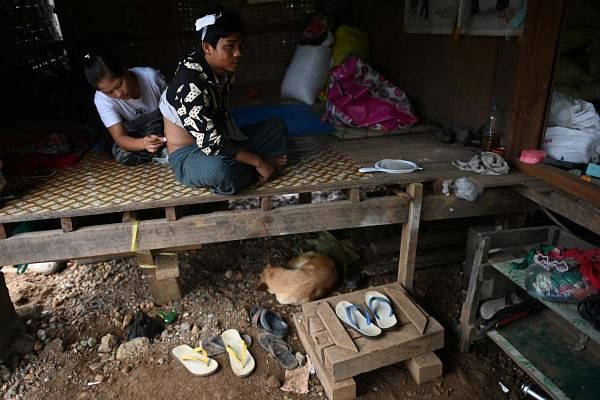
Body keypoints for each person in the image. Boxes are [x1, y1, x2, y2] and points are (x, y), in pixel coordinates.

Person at [160, 8, 288, 195]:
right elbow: (210, 144)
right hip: (190, 155)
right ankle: (256, 169)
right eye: (230, 46)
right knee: (220, 171)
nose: (238, 53)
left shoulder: (219, 71)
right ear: (207, 47)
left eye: (239, 46)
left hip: (223, 140)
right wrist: (258, 161)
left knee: (276, 127)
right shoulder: (189, 84)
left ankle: (247, 167)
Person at [84, 53, 167, 165]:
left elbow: (175, 111)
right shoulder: (102, 100)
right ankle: (162, 153)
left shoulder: (151, 78)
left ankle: (165, 149)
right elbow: (120, 137)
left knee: (158, 128)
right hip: (135, 135)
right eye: (109, 92)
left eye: (119, 85)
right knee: (120, 153)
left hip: (163, 127)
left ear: (125, 71)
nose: (118, 94)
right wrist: (144, 143)